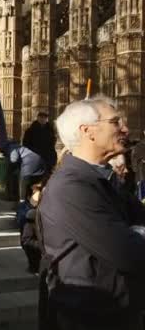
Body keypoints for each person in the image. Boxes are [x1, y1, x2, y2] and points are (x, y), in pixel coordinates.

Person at [39, 96, 145, 330]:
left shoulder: (103, 177)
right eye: (116, 122)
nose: (125, 129)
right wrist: (134, 233)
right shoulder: (70, 187)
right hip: (90, 317)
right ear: (88, 131)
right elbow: (129, 252)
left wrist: (135, 231)